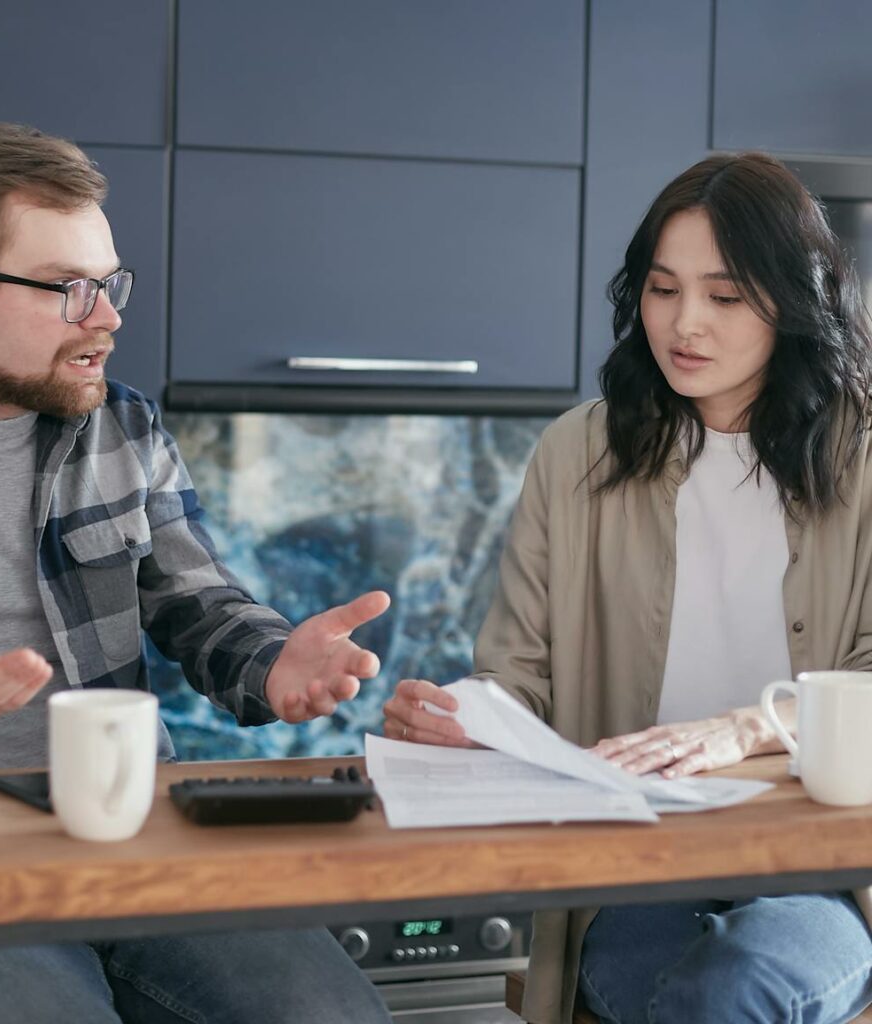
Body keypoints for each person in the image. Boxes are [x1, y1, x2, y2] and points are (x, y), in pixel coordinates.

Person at [0, 123, 392, 1024]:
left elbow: (200, 604)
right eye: (69, 289)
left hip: (135, 844)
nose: (108, 316)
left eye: (108, 284)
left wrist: (273, 664)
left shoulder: (122, 428)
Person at [384, 152, 872, 1024]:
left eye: (725, 298)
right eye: (661, 289)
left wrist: (746, 729)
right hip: (638, 862)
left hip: (824, 871)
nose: (685, 324)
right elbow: (515, 675)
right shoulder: (578, 455)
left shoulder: (864, 458)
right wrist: (466, 718)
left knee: (737, 986)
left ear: (795, 303)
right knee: (692, 998)